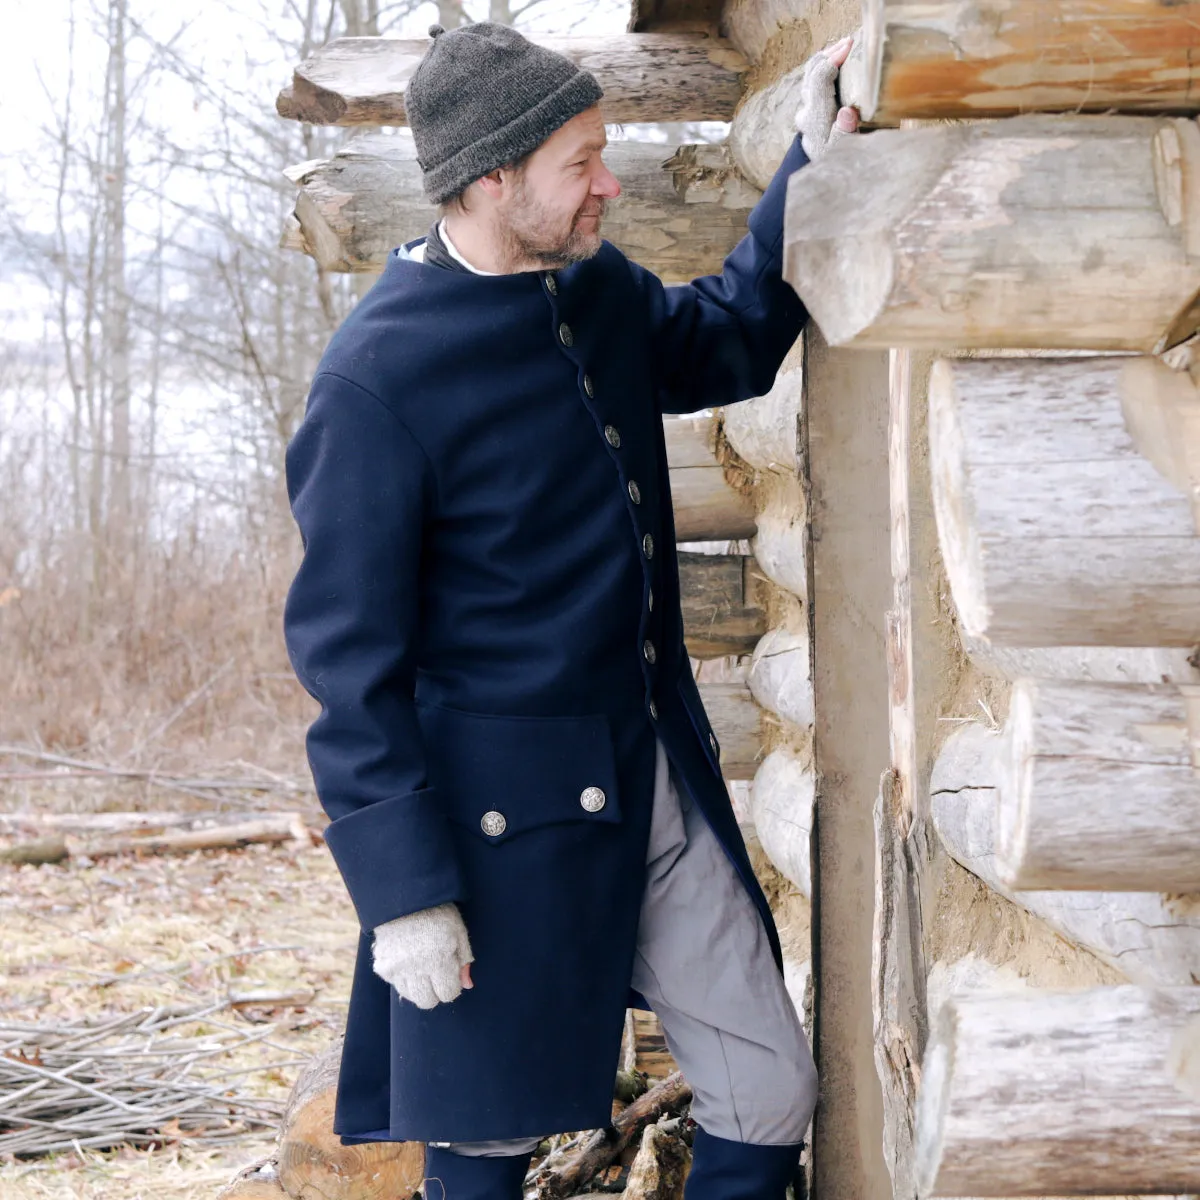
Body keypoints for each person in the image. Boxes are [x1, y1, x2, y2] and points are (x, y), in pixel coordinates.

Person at [283, 22, 858, 1200]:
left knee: (765, 1092)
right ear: (493, 178)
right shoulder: (374, 381)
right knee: (485, 1146)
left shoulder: (590, 290)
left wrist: (808, 164)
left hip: (645, 769)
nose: (609, 181)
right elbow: (349, 667)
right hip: (495, 830)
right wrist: (404, 895)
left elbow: (730, 339)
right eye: (582, 161)